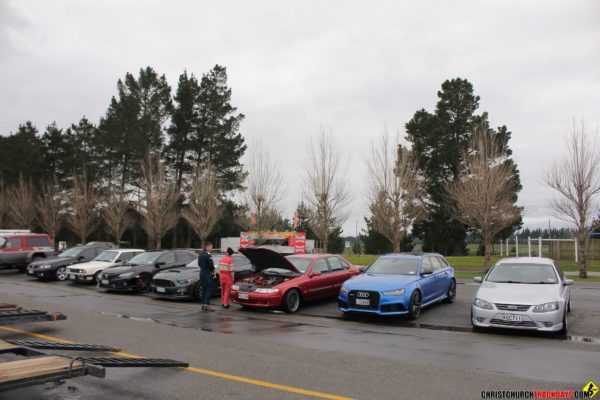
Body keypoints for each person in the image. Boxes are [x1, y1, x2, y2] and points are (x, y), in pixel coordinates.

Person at [198, 242, 215, 311]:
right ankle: (206, 305)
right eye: (211, 247)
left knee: (204, 289)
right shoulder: (208, 254)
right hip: (207, 273)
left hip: (202, 272)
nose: (212, 248)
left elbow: (199, 264)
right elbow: (211, 265)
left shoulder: (201, 254)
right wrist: (212, 269)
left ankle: (203, 304)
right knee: (209, 289)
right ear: (208, 247)